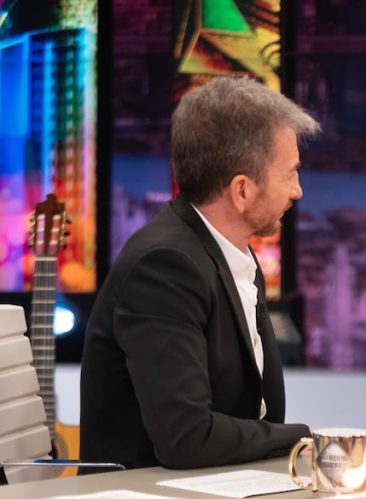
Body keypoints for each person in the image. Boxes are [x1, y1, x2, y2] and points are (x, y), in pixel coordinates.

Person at [80, 77, 320, 469]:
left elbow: (251, 412)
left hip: (215, 487)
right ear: (242, 191)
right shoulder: (164, 266)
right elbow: (187, 438)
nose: (298, 191)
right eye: (289, 174)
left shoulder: (232, 254)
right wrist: (302, 437)